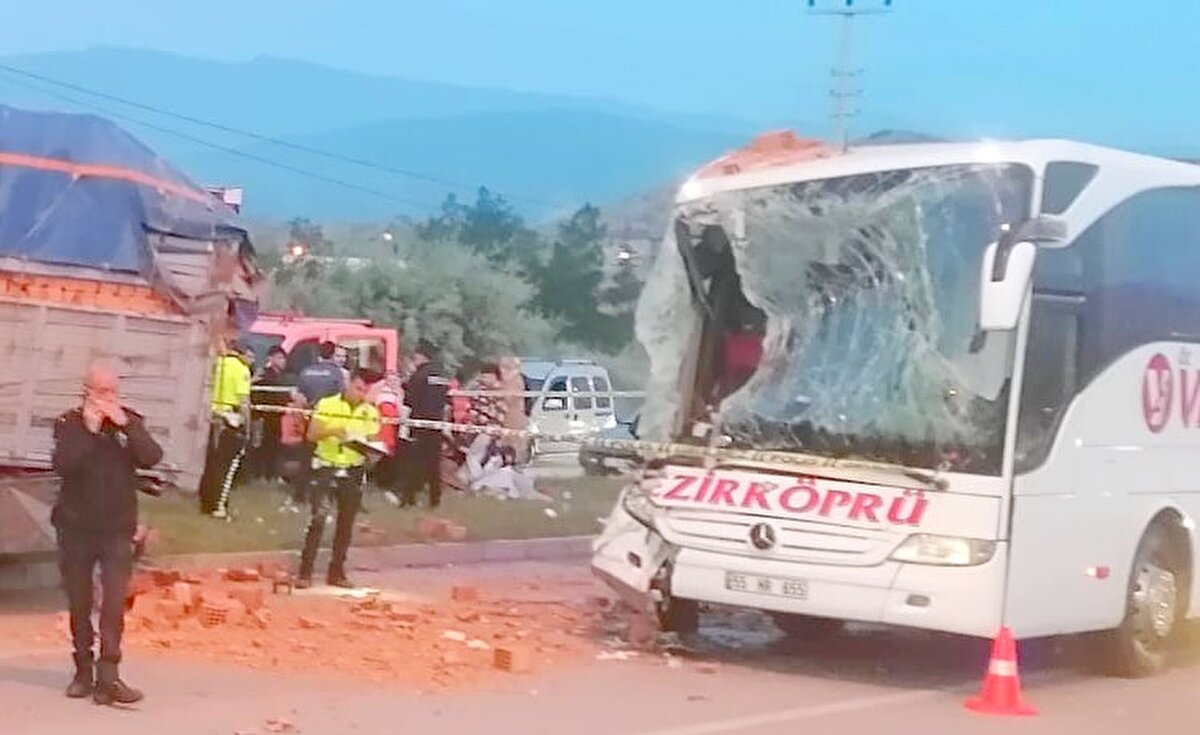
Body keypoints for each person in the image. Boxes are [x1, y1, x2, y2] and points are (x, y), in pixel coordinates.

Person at [51, 362, 163, 705]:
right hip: (76, 526)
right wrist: (90, 429)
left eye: (112, 391)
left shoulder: (128, 422)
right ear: (86, 392)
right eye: (101, 391)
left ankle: (109, 676)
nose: (108, 398)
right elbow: (64, 464)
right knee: (80, 601)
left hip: (117, 528)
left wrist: (126, 425)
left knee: (114, 603)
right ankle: (82, 671)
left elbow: (151, 456)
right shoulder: (69, 423)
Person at [297, 369, 381, 589]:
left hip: (353, 470)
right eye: (358, 388)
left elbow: (373, 439)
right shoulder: (327, 404)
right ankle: (305, 572)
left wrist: (371, 450)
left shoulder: (369, 411)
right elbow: (312, 434)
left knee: (346, 524)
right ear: (348, 383)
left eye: (365, 391)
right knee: (318, 519)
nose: (360, 394)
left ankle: (337, 573)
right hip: (326, 467)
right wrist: (335, 430)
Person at [198, 341, 254, 519]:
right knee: (227, 467)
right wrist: (247, 427)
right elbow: (243, 401)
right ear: (242, 353)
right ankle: (218, 506)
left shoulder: (216, 363)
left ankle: (205, 502)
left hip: (212, 417)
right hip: (231, 420)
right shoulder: (241, 369)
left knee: (211, 464)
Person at [400, 339, 449, 508]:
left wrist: (405, 427)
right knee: (433, 463)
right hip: (436, 424)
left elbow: (409, 401)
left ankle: (408, 498)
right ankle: (435, 498)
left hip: (419, 424)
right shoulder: (442, 374)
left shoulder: (419, 375)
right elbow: (447, 400)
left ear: (421, 356)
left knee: (414, 462)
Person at [252, 345, 289, 482]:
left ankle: (271, 474)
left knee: (274, 446)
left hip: (277, 417)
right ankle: (261, 475)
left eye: (284, 358)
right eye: (279, 358)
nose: (283, 361)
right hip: (264, 417)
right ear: (270, 358)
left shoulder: (282, 377)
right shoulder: (263, 375)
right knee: (263, 446)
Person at [296, 341, 345, 405]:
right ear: (333, 355)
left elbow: (299, 394)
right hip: (328, 411)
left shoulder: (305, 371)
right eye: (338, 356)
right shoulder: (337, 372)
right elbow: (342, 394)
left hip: (309, 410)